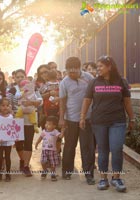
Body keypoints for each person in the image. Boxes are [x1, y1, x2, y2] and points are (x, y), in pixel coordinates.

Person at [80, 56, 135, 192]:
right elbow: (86, 101)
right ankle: (103, 179)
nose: (98, 69)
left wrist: (132, 118)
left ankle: (116, 178)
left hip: (118, 121)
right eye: (97, 66)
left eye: (101, 66)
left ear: (110, 67)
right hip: (99, 122)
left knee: (117, 148)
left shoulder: (121, 82)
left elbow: (127, 102)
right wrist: (82, 117)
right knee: (103, 150)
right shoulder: (93, 83)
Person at [59, 57, 96, 185]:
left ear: (80, 68)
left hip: (87, 119)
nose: (71, 74)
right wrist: (61, 118)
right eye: (69, 72)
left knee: (87, 147)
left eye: (74, 72)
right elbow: (62, 101)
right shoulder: (64, 82)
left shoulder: (89, 78)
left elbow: (95, 96)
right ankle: (67, 171)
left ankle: (89, 174)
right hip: (71, 119)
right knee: (69, 146)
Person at [7, 69, 42, 177]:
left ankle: (26, 166)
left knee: (28, 142)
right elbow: (7, 103)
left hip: (29, 121)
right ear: (14, 78)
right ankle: (22, 160)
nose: (20, 78)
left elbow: (40, 101)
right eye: (17, 77)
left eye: (22, 76)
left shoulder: (33, 88)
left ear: (25, 77)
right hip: (17, 120)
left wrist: (31, 102)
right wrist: (10, 111)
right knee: (18, 144)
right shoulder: (12, 90)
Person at [35, 116, 64, 181]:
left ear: (54, 126)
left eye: (49, 124)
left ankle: (53, 174)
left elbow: (61, 136)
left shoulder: (55, 131)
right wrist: (37, 143)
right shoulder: (44, 131)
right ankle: (45, 170)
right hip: (44, 150)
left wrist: (62, 130)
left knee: (52, 163)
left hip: (52, 151)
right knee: (43, 161)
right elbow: (40, 138)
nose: (47, 125)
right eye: (46, 123)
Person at [0, 98, 13, 182]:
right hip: (0, 140)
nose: (5, 107)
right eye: (3, 105)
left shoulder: (11, 117)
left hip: (8, 141)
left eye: (7, 105)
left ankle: (8, 174)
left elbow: (13, 128)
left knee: (8, 157)